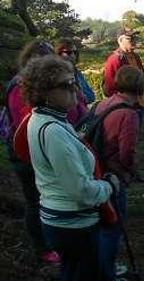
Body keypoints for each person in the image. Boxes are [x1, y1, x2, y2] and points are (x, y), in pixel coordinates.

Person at [21, 54, 115, 281]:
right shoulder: (52, 130)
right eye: (65, 85)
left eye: (73, 81)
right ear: (45, 92)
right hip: (73, 225)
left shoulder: (48, 121)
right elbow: (81, 191)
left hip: (63, 221)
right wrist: (111, 185)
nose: (74, 90)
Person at [5, 39, 81, 265]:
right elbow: (25, 123)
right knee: (35, 199)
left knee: (44, 196)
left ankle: (50, 241)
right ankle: (42, 246)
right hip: (26, 152)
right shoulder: (21, 87)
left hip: (37, 147)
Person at [94, 66, 144, 281]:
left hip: (96, 170)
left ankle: (105, 269)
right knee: (112, 229)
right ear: (140, 87)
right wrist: (133, 171)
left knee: (102, 227)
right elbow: (126, 152)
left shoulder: (104, 104)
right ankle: (107, 278)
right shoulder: (129, 114)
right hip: (113, 176)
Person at [101, 27, 144, 98]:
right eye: (129, 38)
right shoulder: (115, 59)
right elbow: (109, 89)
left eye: (134, 38)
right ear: (120, 40)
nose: (133, 40)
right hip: (124, 104)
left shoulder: (136, 57)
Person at [55, 39, 95, 104]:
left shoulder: (77, 73)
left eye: (75, 52)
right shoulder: (56, 76)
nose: (73, 55)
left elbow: (91, 96)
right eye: (68, 53)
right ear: (59, 53)